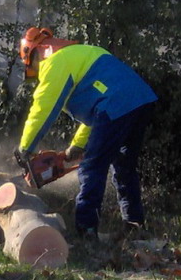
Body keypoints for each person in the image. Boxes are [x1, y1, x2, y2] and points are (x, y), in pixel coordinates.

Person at [16, 27, 157, 240]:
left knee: (91, 167)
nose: (35, 70)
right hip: (140, 101)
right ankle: (134, 224)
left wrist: (25, 147)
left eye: (32, 64)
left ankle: (86, 230)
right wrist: (77, 146)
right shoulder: (81, 54)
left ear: (34, 54)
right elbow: (98, 111)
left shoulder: (54, 62)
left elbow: (43, 109)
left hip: (116, 105)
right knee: (124, 166)